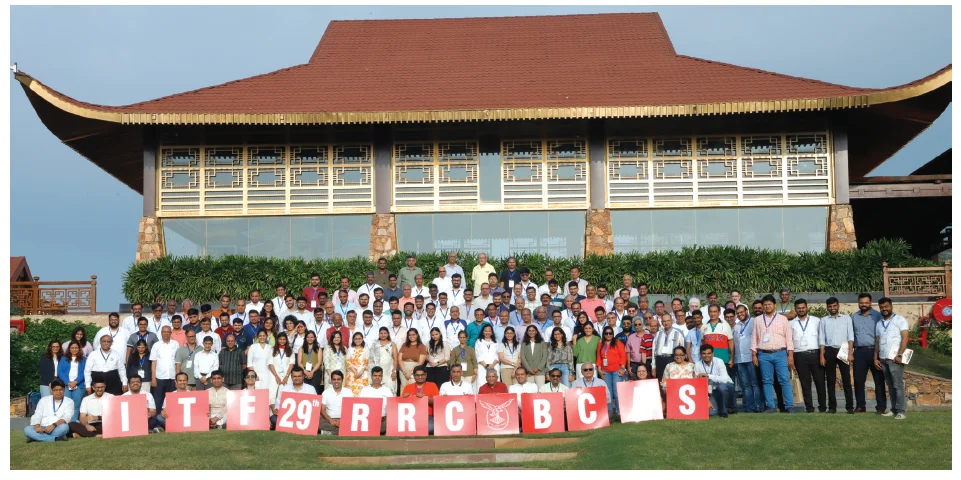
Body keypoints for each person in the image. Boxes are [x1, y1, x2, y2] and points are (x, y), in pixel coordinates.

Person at [752, 294, 795, 414]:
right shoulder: (758, 320)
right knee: (767, 381)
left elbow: (789, 338)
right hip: (763, 354)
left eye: (769, 304)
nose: (767, 306)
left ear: (774, 305)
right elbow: (754, 338)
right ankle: (770, 406)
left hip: (780, 353)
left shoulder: (782, 319)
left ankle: (789, 405)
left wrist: (790, 355)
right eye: (765, 305)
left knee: (784, 380)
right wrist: (754, 354)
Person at [875, 297, 909, 420]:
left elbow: (905, 338)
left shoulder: (900, 320)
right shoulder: (879, 323)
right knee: (890, 385)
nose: (884, 309)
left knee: (898, 385)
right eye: (882, 307)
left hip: (895, 358)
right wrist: (876, 358)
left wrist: (900, 355)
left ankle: (901, 411)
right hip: (883, 358)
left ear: (891, 306)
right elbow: (877, 341)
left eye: (886, 306)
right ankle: (894, 409)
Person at [819, 297, 855, 414]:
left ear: (838, 306)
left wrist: (850, 353)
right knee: (830, 380)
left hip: (843, 349)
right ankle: (832, 407)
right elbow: (822, 339)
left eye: (834, 306)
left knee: (846, 379)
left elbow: (850, 337)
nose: (832, 308)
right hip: (829, 350)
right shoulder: (823, 320)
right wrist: (822, 355)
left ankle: (849, 407)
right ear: (827, 307)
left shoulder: (846, 318)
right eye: (830, 306)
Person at [852, 293, 886, 414]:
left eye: (866, 302)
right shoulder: (854, 317)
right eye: (861, 302)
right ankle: (861, 406)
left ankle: (881, 407)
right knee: (858, 380)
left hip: (875, 351)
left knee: (879, 380)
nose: (864, 305)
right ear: (858, 303)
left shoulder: (877, 315)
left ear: (870, 303)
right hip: (859, 351)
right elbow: (851, 335)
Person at [791, 299, 825, 413]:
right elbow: (790, 341)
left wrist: (821, 354)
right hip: (799, 355)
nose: (801, 310)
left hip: (815, 354)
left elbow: (821, 339)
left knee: (819, 381)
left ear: (807, 308)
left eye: (803, 307)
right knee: (805, 383)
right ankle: (809, 407)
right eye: (798, 308)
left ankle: (823, 407)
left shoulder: (816, 321)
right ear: (795, 309)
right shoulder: (791, 323)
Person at [733, 305, 762, 413]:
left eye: (742, 312)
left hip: (751, 357)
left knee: (755, 384)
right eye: (738, 313)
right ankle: (748, 407)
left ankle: (758, 406)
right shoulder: (736, 326)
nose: (740, 315)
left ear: (746, 311)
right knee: (745, 385)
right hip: (740, 359)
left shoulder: (754, 322)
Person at [694, 344, 734, 418]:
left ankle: (724, 411)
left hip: (726, 387)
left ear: (713, 353)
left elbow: (724, 379)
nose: (706, 356)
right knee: (711, 413)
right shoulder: (697, 365)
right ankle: (719, 407)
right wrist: (707, 399)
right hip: (711, 391)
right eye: (704, 353)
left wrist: (708, 376)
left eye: (709, 353)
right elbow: (698, 385)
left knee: (721, 387)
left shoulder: (719, 361)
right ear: (700, 354)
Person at [597, 325, 628, 414]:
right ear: (603, 334)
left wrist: (622, 368)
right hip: (605, 371)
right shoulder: (600, 344)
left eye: (610, 333)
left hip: (617, 370)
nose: (608, 335)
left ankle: (620, 412)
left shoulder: (618, 342)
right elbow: (599, 357)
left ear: (613, 334)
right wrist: (599, 369)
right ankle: (609, 412)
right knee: (608, 393)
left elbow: (623, 356)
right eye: (606, 333)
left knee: (617, 392)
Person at [401, 366, 439, 434]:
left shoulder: (432, 385)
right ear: (414, 376)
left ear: (426, 375)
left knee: (430, 427)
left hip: (427, 416)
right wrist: (404, 399)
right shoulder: (408, 387)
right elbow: (401, 406)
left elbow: (437, 402)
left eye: (422, 375)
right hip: (410, 417)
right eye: (417, 375)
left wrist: (425, 398)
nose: (420, 377)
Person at [359, 366, 394, 434]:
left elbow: (392, 408)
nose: (377, 377)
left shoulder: (387, 390)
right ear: (371, 376)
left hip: (383, 420)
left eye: (379, 376)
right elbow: (359, 407)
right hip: (367, 421)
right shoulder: (364, 390)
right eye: (375, 375)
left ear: (382, 376)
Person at [57, 342, 86, 421]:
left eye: (76, 348)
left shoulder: (84, 359)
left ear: (79, 349)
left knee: (76, 404)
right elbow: (60, 372)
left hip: (79, 385)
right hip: (66, 385)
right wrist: (68, 382)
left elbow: (85, 372)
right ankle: (65, 421)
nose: (74, 349)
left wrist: (76, 381)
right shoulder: (63, 358)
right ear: (69, 349)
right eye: (72, 348)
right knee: (66, 404)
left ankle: (74, 421)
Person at [474, 324, 500, 389]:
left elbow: (498, 354)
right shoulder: (478, 341)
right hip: (482, 366)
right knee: (481, 384)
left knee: (495, 384)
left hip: (494, 366)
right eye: (486, 331)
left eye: (489, 331)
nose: (487, 332)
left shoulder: (496, 342)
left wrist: (492, 365)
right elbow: (478, 355)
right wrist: (486, 365)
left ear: (491, 332)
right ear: (483, 332)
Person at [268, 332, 293, 399]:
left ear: (286, 340)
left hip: (286, 375)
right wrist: (276, 376)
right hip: (274, 375)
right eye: (280, 339)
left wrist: (287, 376)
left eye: (284, 339)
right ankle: (272, 409)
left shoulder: (290, 350)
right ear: (277, 340)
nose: (282, 341)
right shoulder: (272, 349)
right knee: (272, 395)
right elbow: (270, 363)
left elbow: (291, 364)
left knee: (286, 395)